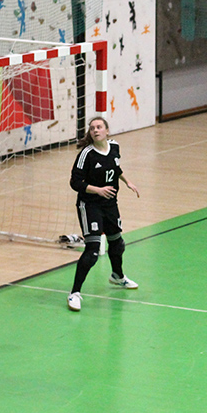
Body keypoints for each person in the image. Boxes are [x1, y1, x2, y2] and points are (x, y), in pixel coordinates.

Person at [68, 116, 140, 311]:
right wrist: (97, 190)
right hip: (89, 204)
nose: (95, 130)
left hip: (110, 204)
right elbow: (75, 182)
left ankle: (117, 276)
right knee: (92, 250)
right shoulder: (87, 154)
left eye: (99, 127)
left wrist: (127, 181)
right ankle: (74, 292)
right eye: (92, 128)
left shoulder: (115, 146)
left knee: (117, 242)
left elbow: (115, 167)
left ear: (107, 131)